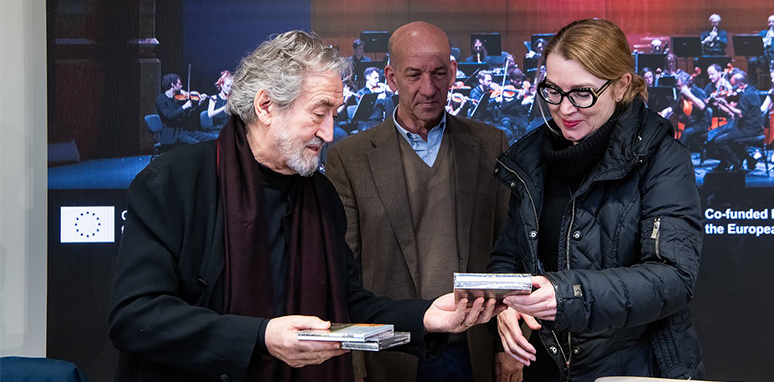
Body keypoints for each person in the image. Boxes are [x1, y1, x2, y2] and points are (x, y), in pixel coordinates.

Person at [109, 30, 499, 382]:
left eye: (334, 114)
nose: (329, 132)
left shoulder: (320, 195)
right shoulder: (175, 183)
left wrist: (426, 317)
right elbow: (135, 316)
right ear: (265, 107)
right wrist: (260, 337)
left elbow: (348, 305)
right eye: (319, 112)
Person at [488, 19, 704, 381]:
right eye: (553, 91)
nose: (565, 109)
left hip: (636, 369)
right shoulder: (531, 159)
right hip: (548, 367)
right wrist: (505, 303)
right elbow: (508, 257)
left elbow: (674, 277)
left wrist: (568, 294)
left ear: (620, 86)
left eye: (582, 93)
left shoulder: (663, 158)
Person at [326, 21, 518, 382]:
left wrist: (504, 348)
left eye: (439, 73)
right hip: (389, 352)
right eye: (414, 75)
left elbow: (506, 253)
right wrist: (351, 361)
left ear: (454, 73)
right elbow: (343, 273)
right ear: (391, 77)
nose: (428, 89)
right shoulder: (349, 158)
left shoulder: (492, 145)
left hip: (472, 347)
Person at [706, 71, 764, 172]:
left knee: (719, 140)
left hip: (749, 128)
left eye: (734, 86)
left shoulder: (746, 95)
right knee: (714, 134)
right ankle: (725, 163)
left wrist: (726, 104)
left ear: (741, 85)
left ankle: (735, 162)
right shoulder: (750, 91)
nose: (733, 89)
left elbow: (741, 114)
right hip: (745, 125)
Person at [155, 73, 211, 145]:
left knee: (210, 138)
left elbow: (187, 116)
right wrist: (184, 107)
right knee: (197, 144)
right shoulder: (161, 100)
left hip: (184, 131)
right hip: (172, 135)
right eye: (179, 84)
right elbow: (169, 116)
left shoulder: (177, 99)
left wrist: (199, 104)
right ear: (172, 84)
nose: (181, 86)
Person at [659, 72, 708, 148]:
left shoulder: (698, 91)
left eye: (679, 86)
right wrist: (668, 110)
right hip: (688, 121)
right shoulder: (681, 92)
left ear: (686, 84)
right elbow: (676, 105)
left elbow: (702, 106)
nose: (678, 88)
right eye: (677, 86)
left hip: (700, 123)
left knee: (685, 133)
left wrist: (688, 94)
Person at [203, 71, 233, 140]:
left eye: (231, 86)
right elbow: (210, 114)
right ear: (222, 85)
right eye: (227, 86)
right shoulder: (214, 98)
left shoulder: (232, 99)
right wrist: (224, 108)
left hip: (229, 129)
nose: (229, 89)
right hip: (217, 130)